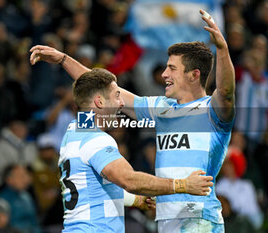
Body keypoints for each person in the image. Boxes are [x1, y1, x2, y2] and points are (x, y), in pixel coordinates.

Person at [30, 9, 234, 232]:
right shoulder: (160, 108)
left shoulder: (210, 111)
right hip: (167, 219)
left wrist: (222, 50)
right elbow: (102, 90)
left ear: (194, 75)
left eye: (172, 68)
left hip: (199, 217)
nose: (164, 74)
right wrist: (63, 59)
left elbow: (225, 92)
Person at [52, 68, 212, 232]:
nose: (121, 103)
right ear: (100, 102)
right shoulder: (96, 139)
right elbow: (128, 180)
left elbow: (93, 190)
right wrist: (183, 185)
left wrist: (137, 200)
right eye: (116, 96)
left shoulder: (73, 132)